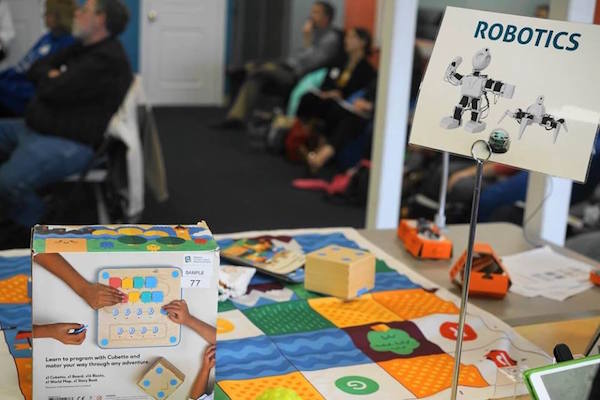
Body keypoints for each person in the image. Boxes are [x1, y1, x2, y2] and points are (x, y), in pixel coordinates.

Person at [0, 0, 133, 230]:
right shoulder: (82, 46)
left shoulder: (108, 61)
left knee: (5, 183)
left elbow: (50, 90)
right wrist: (51, 77)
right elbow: (37, 69)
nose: (77, 13)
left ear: (100, 19)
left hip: (70, 142)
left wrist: (52, 79)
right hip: (39, 128)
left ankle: (35, 222)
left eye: (84, 10)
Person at [220, 1, 342, 129]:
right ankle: (235, 118)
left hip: (296, 74)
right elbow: (299, 55)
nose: (311, 16)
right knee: (255, 77)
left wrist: (306, 38)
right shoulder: (316, 33)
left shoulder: (330, 38)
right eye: (312, 12)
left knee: (261, 69)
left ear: (326, 17)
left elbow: (311, 62)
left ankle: (245, 68)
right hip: (287, 67)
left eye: (316, 13)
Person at [294, 28, 376, 173]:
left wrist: (340, 96)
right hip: (329, 100)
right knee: (308, 98)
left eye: (351, 37)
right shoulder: (339, 61)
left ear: (362, 42)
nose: (346, 41)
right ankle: (301, 138)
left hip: (346, 106)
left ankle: (319, 155)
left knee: (342, 115)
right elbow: (327, 82)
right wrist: (328, 92)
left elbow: (361, 93)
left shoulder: (368, 71)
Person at [0, 0, 76, 117]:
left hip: (27, 94)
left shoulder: (67, 44)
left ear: (56, 16)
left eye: (47, 13)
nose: (44, 16)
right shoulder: (47, 38)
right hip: (15, 84)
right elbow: (22, 67)